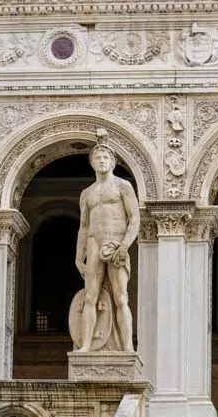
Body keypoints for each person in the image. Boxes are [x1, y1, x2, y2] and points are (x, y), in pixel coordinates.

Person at [74, 132, 140, 353]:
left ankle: (128, 346)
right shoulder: (87, 193)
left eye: (105, 158)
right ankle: (85, 345)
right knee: (90, 297)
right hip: (94, 243)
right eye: (97, 158)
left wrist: (124, 246)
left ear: (112, 162)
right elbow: (83, 227)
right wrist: (78, 258)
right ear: (92, 163)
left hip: (116, 243)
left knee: (121, 297)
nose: (101, 160)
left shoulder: (123, 186)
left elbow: (134, 219)